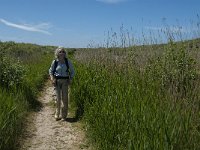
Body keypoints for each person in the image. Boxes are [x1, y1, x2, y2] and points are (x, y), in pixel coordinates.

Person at [49, 46, 75, 121]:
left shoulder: (68, 61)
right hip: (57, 81)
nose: (62, 53)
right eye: (60, 51)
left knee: (65, 98)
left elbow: (73, 71)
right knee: (58, 98)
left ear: (65, 53)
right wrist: (52, 79)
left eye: (63, 51)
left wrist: (71, 79)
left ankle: (64, 115)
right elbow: (50, 71)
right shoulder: (55, 62)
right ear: (57, 53)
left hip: (65, 82)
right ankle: (57, 114)